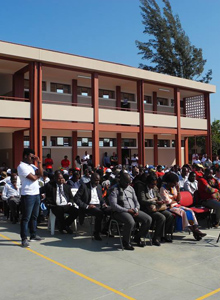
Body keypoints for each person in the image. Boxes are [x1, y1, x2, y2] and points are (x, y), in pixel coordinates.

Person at [108, 172, 152, 250]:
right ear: (121, 180)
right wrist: (128, 210)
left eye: (129, 182)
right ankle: (126, 242)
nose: (128, 184)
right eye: (126, 182)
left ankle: (138, 237)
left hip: (133, 210)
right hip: (120, 212)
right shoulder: (114, 189)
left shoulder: (131, 188)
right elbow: (114, 205)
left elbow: (136, 201)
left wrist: (136, 209)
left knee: (148, 219)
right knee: (130, 221)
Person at [160, 172, 206, 240]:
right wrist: (174, 200)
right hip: (169, 207)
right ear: (169, 182)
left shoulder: (173, 188)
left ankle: (195, 229)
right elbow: (167, 202)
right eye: (174, 183)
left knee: (190, 211)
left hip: (176, 205)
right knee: (183, 213)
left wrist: (178, 190)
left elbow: (178, 200)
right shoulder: (163, 189)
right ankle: (195, 232)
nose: (175, 184)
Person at [135, 173, 174, 246]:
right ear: (148, 183)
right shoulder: (142, 188)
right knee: (161, 217)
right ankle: (156, 238)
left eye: (155, 184)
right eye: (152, 184)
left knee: (169, 215)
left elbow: (159, 197)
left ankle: (164, 235)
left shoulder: (155, 188)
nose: (153, 186)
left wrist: (161, 201)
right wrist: (154, 202)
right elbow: (142, 200)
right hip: (147, 208)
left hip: (156, 207)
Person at [17, 148, 43, 248]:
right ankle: (24, 238)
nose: (33, 159)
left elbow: (40, 174)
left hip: (36, 193)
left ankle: (33, 235)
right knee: (26, 217)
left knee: (34, 216)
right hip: (27, 194)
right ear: (25, 156)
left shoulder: (32, 165)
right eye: (31, 157)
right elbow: (33, 178)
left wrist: (39, 162)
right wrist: (38, 176)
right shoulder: (21, 166)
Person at [74, 172, 111, 240]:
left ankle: (106, 229)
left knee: (112, 210)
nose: (97, 182)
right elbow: (76, 198)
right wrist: (87, 206)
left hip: (99, 205)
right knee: (99, 213)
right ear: (91, 179)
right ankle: (96, 233)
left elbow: (101, 198)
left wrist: (104, 203)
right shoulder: (84, 186)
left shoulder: (99, 186)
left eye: (98, 180)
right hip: (89, 206)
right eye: (96, 180)